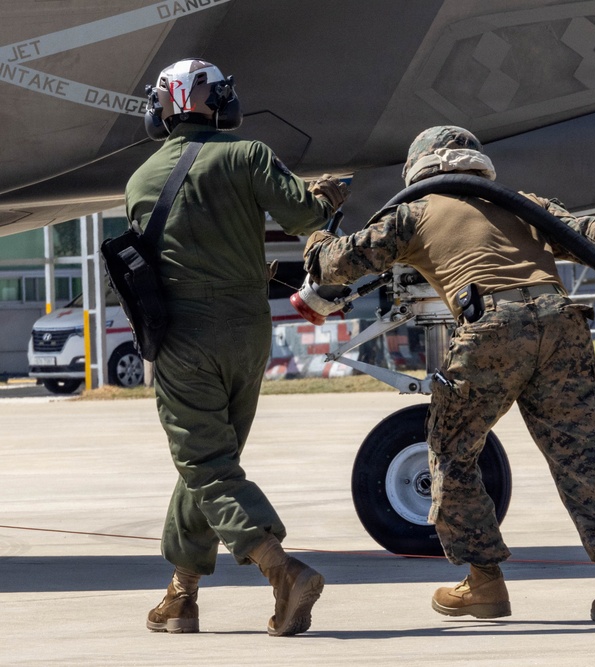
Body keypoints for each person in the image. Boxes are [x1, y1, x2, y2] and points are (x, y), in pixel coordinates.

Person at [302, 125, 595, 621]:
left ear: (421, 167)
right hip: (562, 322)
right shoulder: (523, 203)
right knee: (587, 453)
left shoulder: (412, 214)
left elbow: (330, 266)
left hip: (492, 330)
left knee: (452, 454)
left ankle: (484, 584)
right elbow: (593, 236)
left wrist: (317, 219)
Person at [125, 58, 349, 636]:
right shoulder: (247, 154)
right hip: (247, 332)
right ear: (215, 103)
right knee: (211, 465)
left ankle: (281, 571)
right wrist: (323, 198)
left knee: (205, 463)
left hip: (182, 337)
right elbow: (305, 215)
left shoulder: (141, 180)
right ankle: (181, 595)